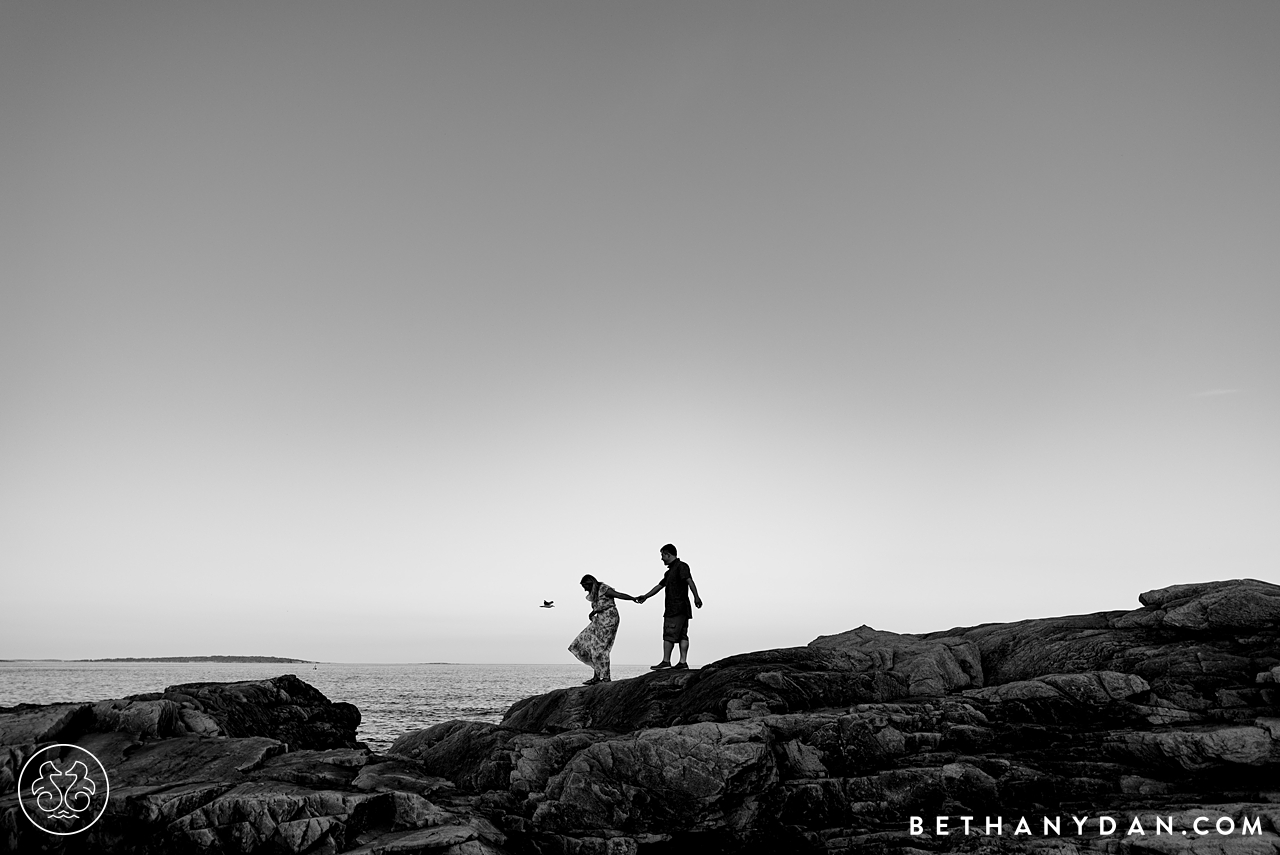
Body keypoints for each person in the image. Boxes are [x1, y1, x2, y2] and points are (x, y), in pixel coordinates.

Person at [636, 543, 702, 670]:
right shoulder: (670, 572)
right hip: (683, 608)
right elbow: (659, 586)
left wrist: (696, 597)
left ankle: (666, 661)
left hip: (674, 608)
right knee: (683, 634)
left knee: (669, 634)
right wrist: (645, 596)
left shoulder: (681, 566)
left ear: (668, 554)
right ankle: (683, 662)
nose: (662, 559)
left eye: (662, 555)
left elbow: (689, 581)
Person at [568, 574, 639, 685]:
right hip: (600, 620)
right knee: (588, 643)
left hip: (610, 620)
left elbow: (619, 595)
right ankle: (597, 676)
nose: (584, 589)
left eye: (585, 586)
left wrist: (633, 598)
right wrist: (594, 612)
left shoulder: (604, 589)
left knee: (601, 648)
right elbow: (600, 606)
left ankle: (605, 677)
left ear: (590, 583)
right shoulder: (594, 592)